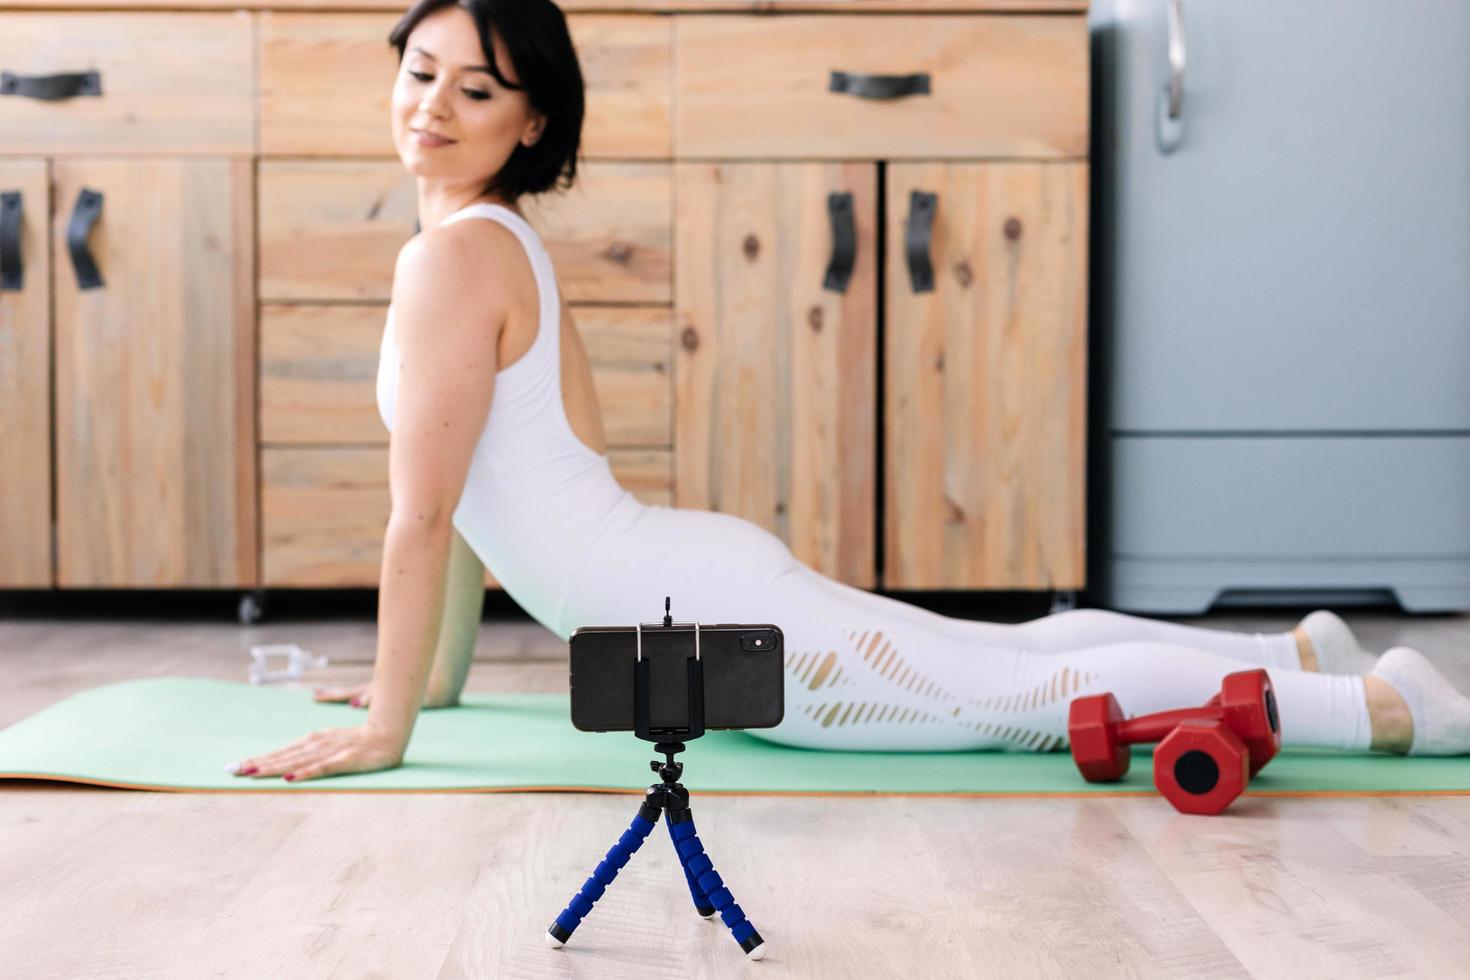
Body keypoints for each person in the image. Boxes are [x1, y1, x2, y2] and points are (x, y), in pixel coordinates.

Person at [229, 0, 1470, 783]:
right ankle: (1287, 644)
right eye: (421, 71)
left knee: (1014, 695)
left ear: (529, 118)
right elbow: (475, 507)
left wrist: (389, 728)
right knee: (999, 651)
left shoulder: (454, 256)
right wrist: (426, 687)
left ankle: (1377, 707)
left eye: (476, 89)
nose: (433, 106)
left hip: (696, 612)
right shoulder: (494, 241)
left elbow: (423, 517)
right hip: (688, 575)